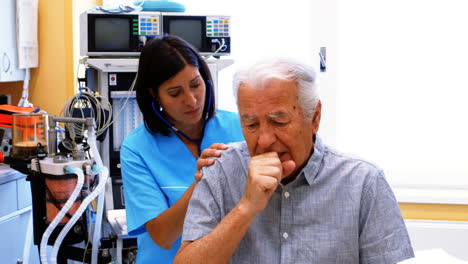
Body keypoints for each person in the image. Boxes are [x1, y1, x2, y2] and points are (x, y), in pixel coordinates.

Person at [175, 58, 415, 263]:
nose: (265, 140)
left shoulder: (363, 182)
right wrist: (246, 208)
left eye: (279, 122)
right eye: (251, 125)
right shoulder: (220, 170)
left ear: (315, 117)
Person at [120, 35, 244, 263]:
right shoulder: (137, 148)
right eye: (175, 93)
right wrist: (203, 182)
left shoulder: (240, 127)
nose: (192, 101)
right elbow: (163, 236)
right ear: (154, 94)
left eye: (196, 85)